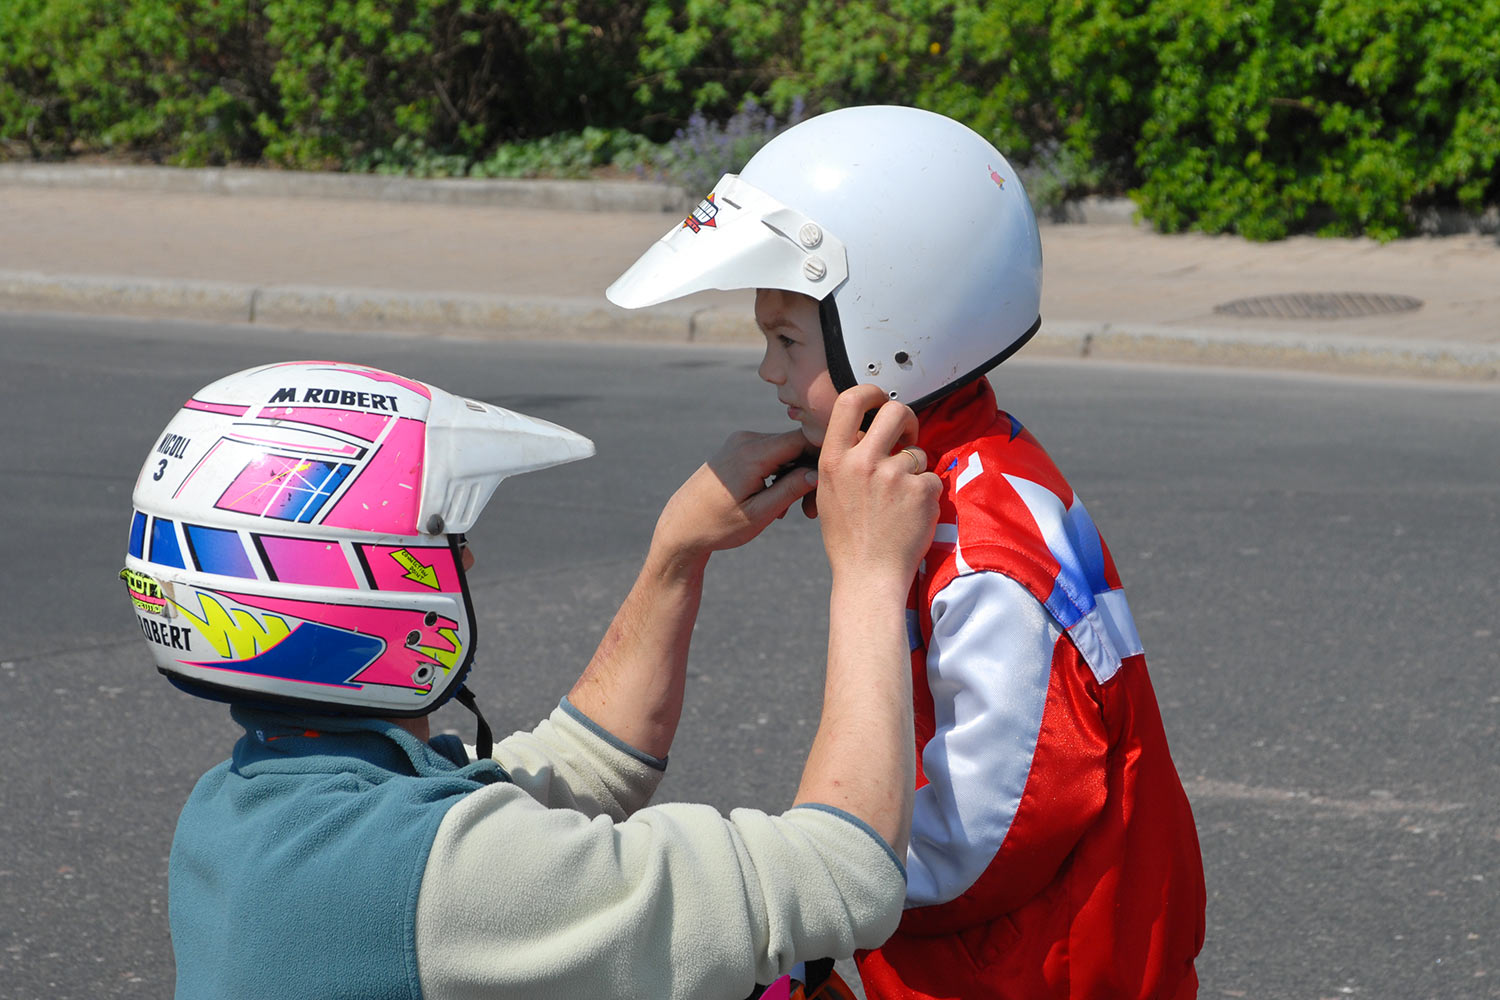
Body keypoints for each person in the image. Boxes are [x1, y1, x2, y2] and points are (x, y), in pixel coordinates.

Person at [607, 105, 1207, 999]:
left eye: (786, 341)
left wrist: (819, 897)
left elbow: (995, 827)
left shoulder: (987, 557)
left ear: (897, 329)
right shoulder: (959, 468)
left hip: (1035, 976)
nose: (769, 372)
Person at [123, 359, 940, 999]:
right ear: (353, 585)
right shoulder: (434, 884)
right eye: (444, 541)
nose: (467, 559)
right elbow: (842, 873)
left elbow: (581, 770)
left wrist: (675, 556)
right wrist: (870, 570)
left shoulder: (244, 812)